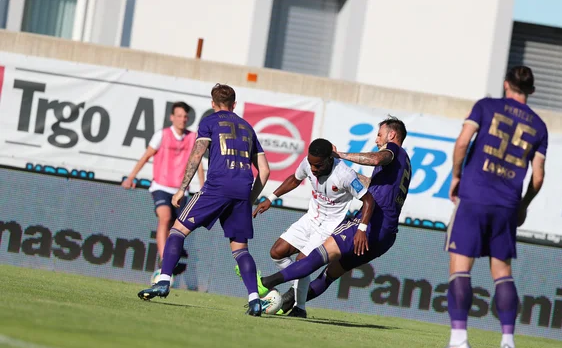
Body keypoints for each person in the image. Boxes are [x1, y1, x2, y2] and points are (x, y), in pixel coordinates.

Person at [437, 65, 548, 348]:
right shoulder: (539, 126)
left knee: (460, 268)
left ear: (506, 84)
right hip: (506, 205)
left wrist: (456, 176)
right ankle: (508, 343)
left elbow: (462, 142)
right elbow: (538, 177)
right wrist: (523, 204)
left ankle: (459, 339)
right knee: (502, 273)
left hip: (474, 197)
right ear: (531, 91)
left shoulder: (486, 106)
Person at [137, 84, 271, 317]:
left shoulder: (209, 122)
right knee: (240, 250)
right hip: (242, 190)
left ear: (213, 104)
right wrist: (249, 198)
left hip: (217, 188)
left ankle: (164, 281)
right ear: (234, 105)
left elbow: (197, 154)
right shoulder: (248, 127)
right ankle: (254, 300)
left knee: (177, 231)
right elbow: (265, 171)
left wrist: (182, 189)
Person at [257, 117, 411, 310]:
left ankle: (265, 283)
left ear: (392, 135)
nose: (376, 140)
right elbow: (373, 186)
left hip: (372, 222)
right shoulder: (404, 163)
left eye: (379, 135)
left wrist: (340, 155)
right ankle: (291, 307)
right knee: (329, 274)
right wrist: (351, 177)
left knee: (312, 258)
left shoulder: (393, 151)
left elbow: (377, 158)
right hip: (386, 235)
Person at [248, 138, 373, 318]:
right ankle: (300, 282)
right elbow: (294, 179)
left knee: (302, 263)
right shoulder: (308, 163)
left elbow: (368, 200)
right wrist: (271, 198)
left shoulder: (345, 175)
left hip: (330, 226)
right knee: (277, 252)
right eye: (311, 165)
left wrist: (362, 229)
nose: (313, 169)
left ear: (330, 159)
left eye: (318, 166)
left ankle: (300, 308)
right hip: (310, 219)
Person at [122, 102, 205, 279]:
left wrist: (203, 185)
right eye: (179, 116)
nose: (182, 119)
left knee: (176, 228)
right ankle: (164, 260)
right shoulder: (162, 135)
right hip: (161, 186)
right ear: (172, 117)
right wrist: (131, 177)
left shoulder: (193, 138)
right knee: (165, 218)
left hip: (181, 190)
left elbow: (197, 163)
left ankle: (168, 261)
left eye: (185, 116)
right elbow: (146, 156)